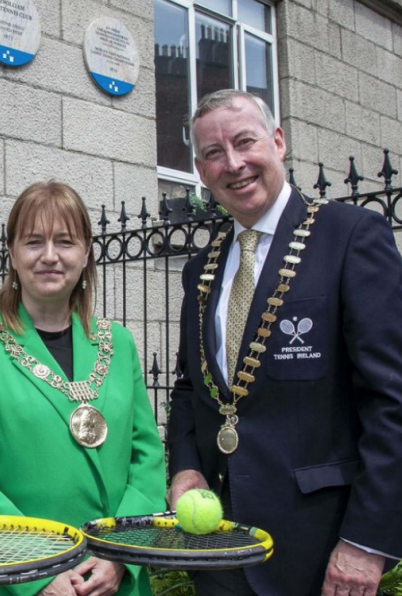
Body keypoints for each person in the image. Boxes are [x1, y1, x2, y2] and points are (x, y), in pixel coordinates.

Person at [167, 89, 402, 596]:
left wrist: (366, 540)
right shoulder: (199, 270)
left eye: (245, 142)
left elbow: (392, 400)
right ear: (201, 172)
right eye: (213, 153)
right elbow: (191, 389)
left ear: (278, 141)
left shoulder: (351, 236)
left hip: (321, 549)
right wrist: (186, 468)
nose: (233, 163)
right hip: (218, 545)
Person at [0, 181, 166, 596]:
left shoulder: (119, 342)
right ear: (12, 253)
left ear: (86, 251)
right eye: (33, 242)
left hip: (112, 579)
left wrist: (119, 553)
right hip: (8, 577)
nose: (50, 256)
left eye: (65, 241)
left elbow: (146, 458)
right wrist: (37, 569)